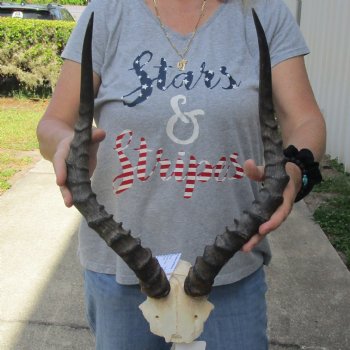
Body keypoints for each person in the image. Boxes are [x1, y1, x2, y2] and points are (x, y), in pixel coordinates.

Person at [37, 0, 326, 349]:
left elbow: (304, 120)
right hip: (120, 269)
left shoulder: (262, 11)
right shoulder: (108, 13)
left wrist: (295, 171)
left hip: (231, 268)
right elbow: (53, 124)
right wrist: (64, 143)